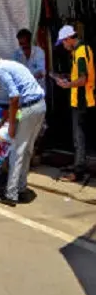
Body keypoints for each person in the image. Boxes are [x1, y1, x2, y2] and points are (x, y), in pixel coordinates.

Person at [0, 50, 46, 206]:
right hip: (40, 106)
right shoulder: (12, 64)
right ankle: (21, 188)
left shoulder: (1, 70)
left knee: (16, 151)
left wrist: (11, 125)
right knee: (27, 150)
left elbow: (15, 97)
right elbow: (16, 100)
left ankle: (11, 194)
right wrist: (5, 119)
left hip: (29, 109)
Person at [53, 25, 94, 183]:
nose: (63, 46)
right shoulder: (82, 50)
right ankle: (79, 166)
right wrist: (67, 76)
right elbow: (80, 74)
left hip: (81, 101)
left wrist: (67, 85)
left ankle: (78, 172)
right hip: (82, 99)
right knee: (80, 136)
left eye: (63, 43)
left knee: (79, 138)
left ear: (69, 39)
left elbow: (83, 79)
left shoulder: (81, 52)